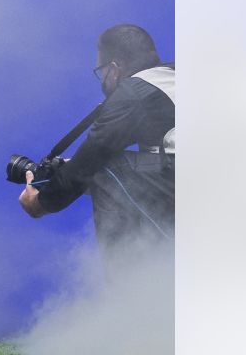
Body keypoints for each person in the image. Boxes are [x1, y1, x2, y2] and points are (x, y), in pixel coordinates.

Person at [18, 24, 175, 264]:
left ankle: (128, 290)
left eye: (100, 71)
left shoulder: (132, 93)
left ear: (114, 69)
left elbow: (89, 165)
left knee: (103, 168)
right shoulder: (173, 77)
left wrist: (40, 202)